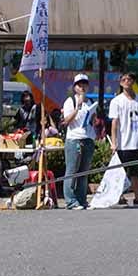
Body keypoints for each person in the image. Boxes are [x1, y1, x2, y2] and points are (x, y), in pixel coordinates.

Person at [109, 71, 138, 207]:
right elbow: (114, 122)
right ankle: (120, 196)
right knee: (121, 172)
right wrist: (114, 141)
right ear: (120, 82)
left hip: (137, 142)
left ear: (133, 82)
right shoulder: (117, 101)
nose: (126, 82)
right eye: (124, 80)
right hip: (123, 143)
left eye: (129, 79)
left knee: (136, 172)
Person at [61, 73, 96, 209]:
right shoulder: (71, 101)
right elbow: (66, 121)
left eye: (84, 84)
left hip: (88, 138)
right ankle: (70, 201)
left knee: (84, 171)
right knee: (71, 171)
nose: (82, 87)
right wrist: (77, 108)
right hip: (74, 139)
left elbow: (92, 121)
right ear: (75, 87)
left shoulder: (90, 102)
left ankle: (82, 199)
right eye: (79, 85)